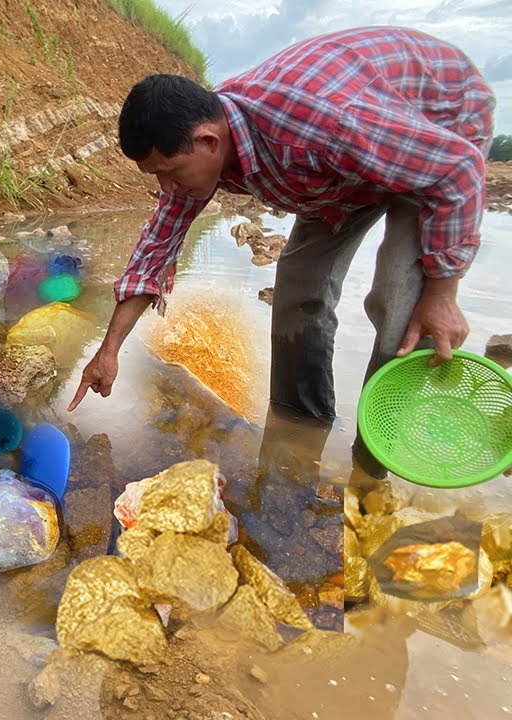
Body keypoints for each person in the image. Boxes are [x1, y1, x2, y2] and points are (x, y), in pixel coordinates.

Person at [69, 26, 495, 484]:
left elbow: (457, 169)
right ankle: (298, 437)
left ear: (209, 142)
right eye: (156, 176)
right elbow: (155, 250)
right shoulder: (198, 156)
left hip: (437, 132)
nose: (166, 188)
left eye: (170, 173)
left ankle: (370, 473)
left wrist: (443, 291)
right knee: (297, 290)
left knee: (400, 303)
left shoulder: (323, 126)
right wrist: (108, 351)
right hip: (339, 178)